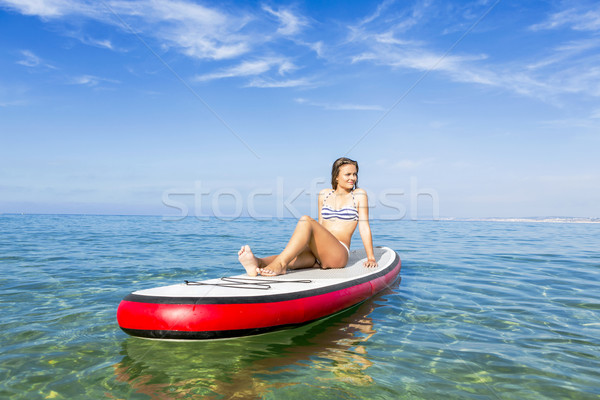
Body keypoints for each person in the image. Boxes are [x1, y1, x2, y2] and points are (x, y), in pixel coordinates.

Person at [238, 157, 378, 276]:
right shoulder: (324, 194)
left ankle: (281, 265)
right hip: (318, 252)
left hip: (338, 254)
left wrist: (371, 257)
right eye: (348, 174)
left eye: (355, 174)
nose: (353, 178)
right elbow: (321, 226)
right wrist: (304, 248)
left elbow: (364, 227)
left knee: (306, 220)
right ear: (336, 176)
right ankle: (256, 262)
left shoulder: (358, 195)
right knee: (292, 256)